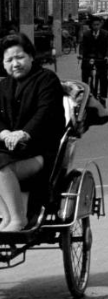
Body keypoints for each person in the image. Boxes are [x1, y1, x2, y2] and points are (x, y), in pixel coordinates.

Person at [0, 34, 66, 232]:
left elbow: (45, 113)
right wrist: (4, 134)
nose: (15, 64)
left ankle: (18, 219)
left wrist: (24, 133)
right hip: (9, 150)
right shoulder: (3, 86)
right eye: (9, 60)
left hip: (40, 151)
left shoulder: (47, 80)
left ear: (31, 56)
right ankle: (7, 217)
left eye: (19, 57)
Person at [78, 16, 108, 104]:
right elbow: (82, 45)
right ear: (91, 26)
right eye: (94, 25)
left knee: (103, 77)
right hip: (88, 57)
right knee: (85, 77)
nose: (96, 26)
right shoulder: (86, 34)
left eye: (98, 24)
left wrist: (107, 56)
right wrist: (81, 55)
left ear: (100, 25)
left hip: (101, 58)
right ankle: (86, 96)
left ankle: (103, 96)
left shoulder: (106, 34)